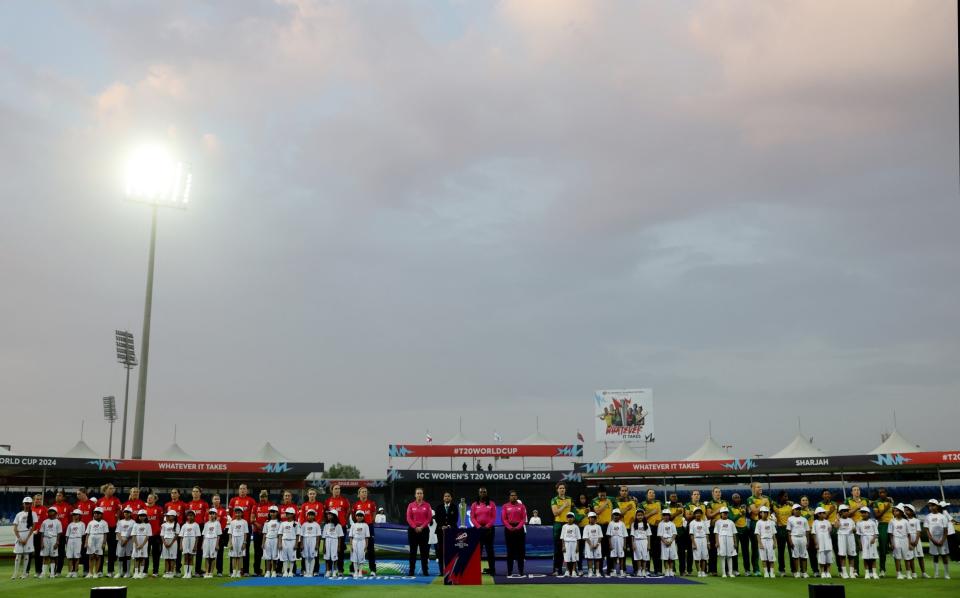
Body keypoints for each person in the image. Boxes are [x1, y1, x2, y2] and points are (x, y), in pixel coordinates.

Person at [228, 484, 257, 575]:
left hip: (246, 527)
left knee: (245, 549)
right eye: (241, 489)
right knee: (232, 550)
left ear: (247, 490)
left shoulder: (251, 501)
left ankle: (245, 571)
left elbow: (254, 513)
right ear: (238, 490)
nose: (242, 490)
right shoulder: (233, 500)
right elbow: (230, 512)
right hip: (234, 526)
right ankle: (232, 571)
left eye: (244, 489)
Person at [324, 484, 350, 573]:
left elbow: (348, 511)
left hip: (341, 527)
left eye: (339, 489)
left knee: (340, 549)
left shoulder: (344, 500)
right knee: (329, 548)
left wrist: (343, 521)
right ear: (332, 490)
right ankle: (329, 570)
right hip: (331, 526)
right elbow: (326, 513)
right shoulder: (328, 501)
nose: (337, 490)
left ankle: (340, 570)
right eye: (335, 489)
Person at [470, 487, 497, 575]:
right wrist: (478, 527)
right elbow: (472, 517)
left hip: (489, 530)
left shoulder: (492, 504)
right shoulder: (474, 504)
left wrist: (487, 526)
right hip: (478, 530)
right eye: (481, 492)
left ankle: (492, 570)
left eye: (484, 492)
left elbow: (493, 517)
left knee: (490, 551)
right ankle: (476, 570)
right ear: (479, 493)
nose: (483, 493)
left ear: (486, 493)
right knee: (478, 552)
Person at [745, 482, 770, 576]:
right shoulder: (750, 499)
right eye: (758, 487)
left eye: (761, 486)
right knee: (756, 548)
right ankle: (756, 570)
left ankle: (768, 569)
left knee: (768, 546)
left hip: (766, 524)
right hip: (755, 523)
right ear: (753, 489)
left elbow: (771, 509)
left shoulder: (767, 498)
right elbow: (755, 511)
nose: (760, 488)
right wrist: (763, 503)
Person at [502, 490, 528, 577]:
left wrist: (517, 527)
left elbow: (523, 519)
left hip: (519, 529)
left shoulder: (521, 506)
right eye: (512, 495)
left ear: (517, 497)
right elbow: (504, 519)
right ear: (509, 497)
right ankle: (509, 571)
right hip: (509, 530)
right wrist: (510, 527)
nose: (513, 497)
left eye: (515, 495)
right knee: (510, 551)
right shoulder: (505, 506)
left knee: (520, 552)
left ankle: (521, 571)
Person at [353, 486, 378, 577]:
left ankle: (373, 570)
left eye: (365, 491)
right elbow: (353, 516)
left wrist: (370, 522)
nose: (364, 493)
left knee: (370, 549)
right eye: (362, 492)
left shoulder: (371, 503)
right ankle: (354, 570)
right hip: (359, 527)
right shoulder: (356, 505)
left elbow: (374, 514)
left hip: (369, 526)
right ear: (359, 494)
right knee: (356, 549)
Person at [406, 487, 431, 576]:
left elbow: (429, 518)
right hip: (413, 531)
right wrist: (415, 527)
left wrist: (422, 527)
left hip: (424, 531)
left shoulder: (427, 505)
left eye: (421, 493)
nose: (419, 495)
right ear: (415, 495)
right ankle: (411, 571)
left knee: (424, 552)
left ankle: (425, 570)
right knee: (412, 552)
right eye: (418, 493)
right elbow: (408, 518)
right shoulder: (410, 505)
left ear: (423, 495)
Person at [550, 482, 574, 576]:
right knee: (558, 549)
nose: (562, 489)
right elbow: (555, 513)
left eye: (563, 488)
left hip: (569, 525)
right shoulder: (554, 500)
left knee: (569, 548)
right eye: (560, 488)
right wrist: (564, 506)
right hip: (558, 525)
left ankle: (571, 570)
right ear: (557, 490)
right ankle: (557, 569)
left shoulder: (570, 499)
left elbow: (573, 512)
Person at [98, 484, 122, 577]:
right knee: (100, 550)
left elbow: (119, 510)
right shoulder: (100, 501)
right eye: (110, 488)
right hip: (101, 529)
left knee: (112, 550)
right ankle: (99, 571)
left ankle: (110, 571)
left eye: (113, 488)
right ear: (105, 490)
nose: (113, 490)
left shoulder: (116, 500)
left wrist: (116, 517)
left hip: (112, 528)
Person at [926, 499, 951, 579]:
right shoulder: (928, 516)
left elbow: (945, 530)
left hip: (942, 540)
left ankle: (946, 574)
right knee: (935, 556)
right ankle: (936, 574)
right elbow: (927, 530)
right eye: (930, 505)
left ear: (937, 506)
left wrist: (942, 540)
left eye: (933, 505)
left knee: (944, 556)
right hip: (933, 540)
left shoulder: (943, 516)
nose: (931, 507)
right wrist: (933, 540)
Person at [250, 489, 273, 577]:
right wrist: (258, 525)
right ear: (259, 497)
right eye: (261, 497)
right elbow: (252, 519)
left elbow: (274, 518)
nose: (262, 498)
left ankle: (268, 570)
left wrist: (266, 527)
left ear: (267, 497)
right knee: (257, 553)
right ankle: (257, 571)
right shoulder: (255, 506)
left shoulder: (271, 506)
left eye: (264, 496)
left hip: (269, 533)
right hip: (257, 532)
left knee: (269, 552)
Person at [640, 489, 663, 573]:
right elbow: (640, 517)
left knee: (657, 550)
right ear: (646, 495)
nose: (652, 494)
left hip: (658, 529)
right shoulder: (642, 504)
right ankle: (647, 569)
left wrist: (661, 520)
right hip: (647, 528)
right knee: (647, 549)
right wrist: (652, 513)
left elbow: (667, 514)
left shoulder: (659, 503)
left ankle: (658, 570)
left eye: (653, 492)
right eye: (650, 493)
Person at [434, 491, 457, 575]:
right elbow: (437, 518)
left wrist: (449, 526)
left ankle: (450, 570)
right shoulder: (439, 507)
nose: (447, 497)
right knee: (441, 551)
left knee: (450, 551)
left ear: (451, 498)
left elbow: (455, 519)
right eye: (445, 496)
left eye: (448, 496)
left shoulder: (454, 507)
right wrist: (442, 526)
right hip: (440, 531)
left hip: (451, 532)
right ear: (443, 498)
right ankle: (441, 571)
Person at [12, 497, 35, 580]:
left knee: (26, 555)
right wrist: (20, 538)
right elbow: (15, 528)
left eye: (29, 503)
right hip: (20, 535)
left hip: (28, 535)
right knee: (18, 555)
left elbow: (33, 528)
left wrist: (27, 539)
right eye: (26, 503)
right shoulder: (19, 514)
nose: (27, 505)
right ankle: (15, 574)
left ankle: (24, 573)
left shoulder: (33, 514)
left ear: (31, 504)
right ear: (23, 504)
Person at [684, 490, 707, 575]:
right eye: (695, 494)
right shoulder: (687, 505)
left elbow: (705, 517)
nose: (696, 496)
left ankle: (703, 570)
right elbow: (687, 517)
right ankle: (689, 570)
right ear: (691, 496)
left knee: (703, 551)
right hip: (691, 528)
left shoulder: (704, 505)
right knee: (690, 550)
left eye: (698, 494)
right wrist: (696, 514)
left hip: (702, 528)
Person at [50, 489, 73, 574]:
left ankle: (59, 570)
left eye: (59, 495)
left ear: (63, 497)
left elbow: (71, 521)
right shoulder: (52, 507)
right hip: (53, 534)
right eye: (56, 495)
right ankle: (53, 569)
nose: (57, 497)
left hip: (64, 534)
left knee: (61, 552)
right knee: (53, 552)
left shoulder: (68, 507)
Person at [165, 488, 187, 573]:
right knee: (168, 548)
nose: (173, 494)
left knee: (178, 550)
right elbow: (165, 517)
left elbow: (185, 518)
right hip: (169, 528)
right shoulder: (167, 505)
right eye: (172, 493)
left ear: (179, 494)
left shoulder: (183, 505)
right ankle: (168, 570)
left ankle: (177, 569)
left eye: (175, 493)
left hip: (179, 527)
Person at [706, 487, 727, 575]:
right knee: (713, 550)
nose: (718, 493)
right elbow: (709, 516)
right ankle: (712, 570)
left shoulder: (725, 503)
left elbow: (727, 514)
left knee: (725, 548)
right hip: (714, 528)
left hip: (724, 528)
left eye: (719, 492)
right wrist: (718, 511)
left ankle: (726, 570)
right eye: (716, 492)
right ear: (713, 494)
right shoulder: (710, 504)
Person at [873, 487, 894, 576]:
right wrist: (885, 509)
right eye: (880, 493)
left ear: (886, 493)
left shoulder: (891, 501)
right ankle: (882, 570)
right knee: (883, 548)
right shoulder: (876, 503)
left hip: (893, 524)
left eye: (883, 492)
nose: (882, 494)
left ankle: (899, 570)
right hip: (883, 525)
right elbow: (877, 516)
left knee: (896, 547)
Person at [592, 486, 613, 574]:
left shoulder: (611, 501)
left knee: (609, 548)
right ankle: (598, 569)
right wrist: (606, 503)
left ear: (606, 494)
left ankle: (610, 570)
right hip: (599, 527)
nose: (602, 497)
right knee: (599, 549)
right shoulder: (595, 501)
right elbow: (597, 512)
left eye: (604, 495)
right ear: (598, 494)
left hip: (609, 526)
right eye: (601, 495)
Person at [786, 503, 811, 578]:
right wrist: (790, 541)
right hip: (794, 537)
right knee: (795, 556)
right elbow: (789, 531)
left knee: (804, 556)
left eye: (799, 509)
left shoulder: (804, 519)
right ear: (793, 510)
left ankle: (804, 572)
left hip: (803, 538)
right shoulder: (790, 519)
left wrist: (808, 541)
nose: (798, 511)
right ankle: (796, 572)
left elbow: (807, 531)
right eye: (796, 509)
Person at [728, 493, 750, 575]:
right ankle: (735, 570)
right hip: (735, 532)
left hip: (744, 530)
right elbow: (731, 519)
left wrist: (747, 510)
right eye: (735, 498)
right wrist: (740, 514)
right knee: (735, 551)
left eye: (738, 498)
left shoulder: (743, 507)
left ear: (740, 499)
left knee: (745, 551)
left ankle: (747, 570)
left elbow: (750, 515)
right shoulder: (730, 508)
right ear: (732, 499)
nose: (736, 499)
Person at [856, 506, 879, 579]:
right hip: (864, 540)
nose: (863, 514)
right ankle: (867, 573)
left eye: (864, 512)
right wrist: (860, 544)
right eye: (862, 513)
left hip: (872, 540)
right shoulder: (859, 523)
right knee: (865, 558)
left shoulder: (872, 522)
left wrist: (873, 539)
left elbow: (876, 533)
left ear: (868, 513)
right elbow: (858, 535)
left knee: (873, 557)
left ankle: (874, 573)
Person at [904, 504, 927, 578]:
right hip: (908, 540)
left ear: (912, 511)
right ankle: (913, 573)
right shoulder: (904, 521)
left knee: (920, 556)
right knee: (911, 557)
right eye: (905, 510)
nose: (905, 512)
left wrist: (916, 541)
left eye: (907, 510)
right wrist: (909, 542)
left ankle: (923, 573)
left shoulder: (916, 520)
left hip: (916, 539)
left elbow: (918, 531)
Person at [667, 492, 688, 576]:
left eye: (675, 496)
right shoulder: (666, 507)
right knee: (671, 551)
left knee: (681, 552)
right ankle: (672, 570)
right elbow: (668, 518)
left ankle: (682, 570)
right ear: (669, 498)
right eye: (672, 496)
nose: (674, 498)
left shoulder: (681, 507)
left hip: (680, 531)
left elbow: (686, 517)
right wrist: (677, 513)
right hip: (670, 531)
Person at [889, 504, 912, 579]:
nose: (895, 512)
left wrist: (910, 543)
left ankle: (908, 574)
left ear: (901, 512)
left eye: (897, 511)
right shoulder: (892, 521)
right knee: (897, 558)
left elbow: (909, 534)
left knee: (907, 558)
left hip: (905, 540)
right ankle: (898, 574)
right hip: (896, 539)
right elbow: (891, 534)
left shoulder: (905, 521)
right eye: (894, 511)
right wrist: (892, 543)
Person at [143, 493, 163, 577]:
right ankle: (145, 571)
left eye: (151, 498)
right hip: (146, 535)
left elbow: (161, 521)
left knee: (156, 554)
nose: (149, 499)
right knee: (145, 554)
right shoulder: (144, 509)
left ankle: (155, 571)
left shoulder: (158, 509)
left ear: (155, 499)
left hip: (156, 535)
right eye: (148, 498)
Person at [773, 491, 793, 577]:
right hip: (780, 529)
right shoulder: (775, 506)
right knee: (781, 551)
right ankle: (782, 570)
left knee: (791, 551)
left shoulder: (790, 506)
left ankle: (794, 570)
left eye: (787, 496)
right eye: (785, 496)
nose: (786, 498)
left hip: (790, 530)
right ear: (780, 497)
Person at [812, 506, 835, 579]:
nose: (825, 514)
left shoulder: (827, 522)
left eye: (824, 513)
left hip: (828, 542)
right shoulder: (815, 522)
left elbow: (830, 531)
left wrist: (832, 528)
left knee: (829, 557)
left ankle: (828, 572)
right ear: (818, 514)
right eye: (823, 513)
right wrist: (816, 543)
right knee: (821, 558)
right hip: (820, 542)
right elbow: (813, 533)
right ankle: (822, 572)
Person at [40, 506, 63, 578]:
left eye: (52, 511)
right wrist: (42, 542)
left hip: (53, 538)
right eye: (50, 511)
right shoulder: (44, 522)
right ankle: (43, 573)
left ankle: (52, 573)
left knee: (53, 557)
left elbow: (59, 533)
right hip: (45, 538)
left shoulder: (58, 522)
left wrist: (57, 542)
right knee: (45, 556)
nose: (51, 512)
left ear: (56, 513)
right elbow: (42, 533)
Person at [714, 507, 738, 578]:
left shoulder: (731, 522)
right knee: (722, 556)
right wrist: (717, 542)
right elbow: (716, 533)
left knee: (730, 556)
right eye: (724, 513)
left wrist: (735, 542)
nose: (725, 514)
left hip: (730, 539)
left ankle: (730, 573)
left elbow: (734, 533)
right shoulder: (718, 522)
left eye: (726, 513)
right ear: (721, 514)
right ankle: (724, 573)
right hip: (721, 539)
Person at [86, 507, 109, 578]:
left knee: (98, 556)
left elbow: (105, 533)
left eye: (98, 513)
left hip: (100, 538)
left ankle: (96, 572)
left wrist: (104, 543)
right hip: (91, 538)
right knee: (91, 556)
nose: (96, 514)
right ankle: (90, 572)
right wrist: (86, 542)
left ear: (101, 514)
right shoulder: (90, 522)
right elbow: (87, 533)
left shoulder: (104, 523)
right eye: (95, 513)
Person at [755, 506, 777, 578]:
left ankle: (772, 572)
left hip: (770, 540)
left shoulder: (771, 522)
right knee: (764, 558)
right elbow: (758, 534)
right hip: (763, 540)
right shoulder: (758, 523)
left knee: (771, 557)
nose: (765, 514)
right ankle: (766, 572)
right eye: (763, 512)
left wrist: (774, 542)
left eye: (766, 513)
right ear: (760, 513)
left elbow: (773, 533)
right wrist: (760, 543)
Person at [178, 510, 200, 579]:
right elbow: (181, 536)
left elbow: (197, 537)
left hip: (192, 540)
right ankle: (185, 573)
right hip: (185, 540)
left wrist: (195, 546)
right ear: (187, 517)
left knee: (191, 557)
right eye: (188, 515)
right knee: (186, 557)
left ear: (194, 516)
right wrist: (181, 545)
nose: (190, 517)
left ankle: (189, 573)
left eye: (191, 515)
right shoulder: (184, 525)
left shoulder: (196, 525)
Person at [836, 505, 857, 578]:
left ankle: (851, 573)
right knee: (842, 555)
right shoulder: (838, 520)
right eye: (844, 511)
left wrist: (854, 529)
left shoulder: (851, 520)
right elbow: (836, 526)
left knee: (851, 555)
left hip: (850, 537)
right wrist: (838, 518)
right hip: (842, 538)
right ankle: (844, 573)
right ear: (841, 512)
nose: (846, 512)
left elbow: (854, 530)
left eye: (847, 511)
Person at [210, 494, 229, 576]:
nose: (216, 500)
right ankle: (209, 570)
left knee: (219, 553)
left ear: (220, 501)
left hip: (219, 535)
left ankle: (219, 571)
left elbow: (224, 524)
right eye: (215, 499)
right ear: (212, 500)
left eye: (218, 499)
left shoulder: (223, 511)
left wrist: (217, 531)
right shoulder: (209, 510)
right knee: (209, 553)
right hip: (210, 535)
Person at [228, 506, 249, 578]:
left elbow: (245, 533)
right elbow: (230, 533)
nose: (237, 514)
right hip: (234, 540)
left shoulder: (244, 522)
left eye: (239, 513)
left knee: (240, 557)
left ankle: (239, 572)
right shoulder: (232, 522)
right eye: (236, 513)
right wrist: (230, 543)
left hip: (241, 540)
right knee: (234, 557)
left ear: (242, 513)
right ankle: (234, 572)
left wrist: (244, 543)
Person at [299, 509, 321, 577]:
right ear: (307, 516)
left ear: (314, 516)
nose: (310, 517)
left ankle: (311, 572)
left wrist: (317, 544)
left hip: (313, 540)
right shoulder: (304, 525)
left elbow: (318, 536)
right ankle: (307, 571)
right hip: (305, 540)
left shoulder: (316, 525)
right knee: (306, 557)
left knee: (312, 556)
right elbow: (301, 535)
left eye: (312, 515)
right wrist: (302, 544)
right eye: (309, 515)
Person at [278, 507, 299, 577]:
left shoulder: (296, 523)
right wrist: (280, 543)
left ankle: (290, 572)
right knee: (284, 558)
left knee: (292, 558)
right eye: (286, 513)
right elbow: (280, 534)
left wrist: (296, 544)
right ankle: (285, 572)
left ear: (293, 514)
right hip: (284, 541)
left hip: (292, 541)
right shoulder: (283, 523)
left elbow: (297, 535)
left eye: (289, 514)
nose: (287, 515)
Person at [688, 507, 710, 577]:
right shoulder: (692, 523)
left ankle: (703, 571)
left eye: (699, 513)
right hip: (696, 539)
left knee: (704, 557)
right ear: (694, 514)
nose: (698, 514)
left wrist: (708, 542)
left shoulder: (704, 522)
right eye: (696, 513)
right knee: (697, 557)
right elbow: (691, 534)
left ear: (701, 514)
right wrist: (693, 543)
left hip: (703, 539)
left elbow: (707, 533)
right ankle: (698, 572)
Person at [349, 509, 371, 579]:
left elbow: (367, 537)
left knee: (361, 557)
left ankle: (360, 571)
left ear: (363, 517)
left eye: (361, 516)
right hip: (355, 542)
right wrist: (351, 545)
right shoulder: (353, 525)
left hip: (362, 542)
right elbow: (351, 536)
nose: (359, 517)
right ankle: (355, 571)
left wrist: (366, 546)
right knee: (354, 557)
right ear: (355, 517)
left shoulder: (365, 525)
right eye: (358, 516)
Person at [201, 509, 222, 578]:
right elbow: (204, 535)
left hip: (214, 540)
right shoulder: (206, 523)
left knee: (213, 557)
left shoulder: (217, 523)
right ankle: (206, 572)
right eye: (210, 514)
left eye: (213, 514)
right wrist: (202, 544)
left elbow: (218, 535)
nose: (211, 515)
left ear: (216, 515)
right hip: (207, 540)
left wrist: (217, 544)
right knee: (206, 557)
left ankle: (211, 572)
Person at [657, 507, 678, 577]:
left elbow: (674, 533)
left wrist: (671, 541)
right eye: (664, 515)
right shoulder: (660, 524)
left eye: (667, 515)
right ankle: (666, 570)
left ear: (669, 516)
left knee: (671, 557)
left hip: (671, 541)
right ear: (662, 516)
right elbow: (660, 534)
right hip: (664, 541)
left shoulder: (672, 524)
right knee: (665, 557)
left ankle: (671, 570)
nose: (666, 516)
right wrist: (664, 542)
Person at [322, 510, 344, 578]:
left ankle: (334, 571)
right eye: (328, 514)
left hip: (335, 541)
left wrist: (339, 546)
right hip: (328, 541)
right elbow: (324, 537)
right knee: (327, 557)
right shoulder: (326, 525)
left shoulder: (338, 526)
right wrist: (324, 546)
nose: (328, 516)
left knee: (334, 558)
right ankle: (328, 571)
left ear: (334, 516)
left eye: (330, 515)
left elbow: (340, 537)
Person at [131, 510, 151, 579]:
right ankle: (136, 573)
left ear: (145, 516)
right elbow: (133, 535)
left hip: (144, 543)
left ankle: (141, 573)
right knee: (136, 558)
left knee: (142, 558)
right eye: (140, 516)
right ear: (138, 516)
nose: (142, 517)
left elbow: (148, 535)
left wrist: (142, 545)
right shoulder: (135, 524)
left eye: (143, 516)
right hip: (136, 542)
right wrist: (137, 544)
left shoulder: (148, 525)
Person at [115, 507, 135, 578]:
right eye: (125, 512)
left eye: (128, 512)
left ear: (130, 513)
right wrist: (121, 540)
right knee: (120, 555)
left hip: (129, 540)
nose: (126, 513)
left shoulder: (133, 522)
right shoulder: (120, 522)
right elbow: (117, 532)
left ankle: (128, 572)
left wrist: (126, 540)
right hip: (121, 540)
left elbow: (133, 532)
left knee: (128, 555)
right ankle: (120, 572)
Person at [261, 506, 281, 578]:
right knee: (268, 557)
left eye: (274, 512)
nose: (272, 513)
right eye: (271, 512)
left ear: (277, 513)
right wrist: (263, 543)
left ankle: (274, 571)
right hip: (268, 540)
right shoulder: (267, 522)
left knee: (275, 557)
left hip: (275, 540)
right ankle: (268, 571)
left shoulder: (279, 523)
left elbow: (280, 534)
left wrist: (279, 543)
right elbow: (264, 533)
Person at [29, 492, 46, 576]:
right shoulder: (30, 509)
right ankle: (26, 571)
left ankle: (38, 571)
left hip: (38, 534)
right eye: (36, 499)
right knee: (28, 553)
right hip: (29, 534)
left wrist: (37, 530)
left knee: (38, 553)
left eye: (39, 499)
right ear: (33, 500)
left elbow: (43, 523)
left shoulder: (43, 509)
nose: (38, 501)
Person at [608, 508, 628, 577]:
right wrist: (610, 544)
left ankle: (622, 571)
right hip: (613, 541)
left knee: (621, 557)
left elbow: (625, 535)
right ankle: (614, 571)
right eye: (615, 515)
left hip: (620, 541)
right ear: (612, 515)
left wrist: (624, 545)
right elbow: (609, 535)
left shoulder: (622, 524)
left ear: (620, 516)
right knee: (614, 557)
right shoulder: (610, 524)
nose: (616, 516)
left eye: (617, 515)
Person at [582, 511, 603, 577]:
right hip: (589, 545)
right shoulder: (586, 527)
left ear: (595, 518)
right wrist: (591, 545)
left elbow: (600, 536)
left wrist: (597, 544)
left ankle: (597, 572)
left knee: (597, 558)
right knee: (590, 558)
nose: (592, 519)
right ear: (588, 518)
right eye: (591, 517)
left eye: (593, 517)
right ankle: (590, 572)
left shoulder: (598, 527)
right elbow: (586, 537)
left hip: (597, 545)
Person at [631, 511, 651, 577]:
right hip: (637, 541)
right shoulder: (633, 524)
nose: (640, 517)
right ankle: (639, 570)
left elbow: (648, 535)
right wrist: (633, 544)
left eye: (641, 515)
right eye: (638, 515)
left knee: (645, 557)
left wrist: (648, 544)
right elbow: (632, 535)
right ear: (636, 516)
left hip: (645, 541)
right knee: (638, 556)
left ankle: (644, 570)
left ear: (643, 516)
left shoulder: (646, 524)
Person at [560, 512, 581, 577]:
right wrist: (563, 546)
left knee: (574, 558)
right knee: (566, 558)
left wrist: (577, 546)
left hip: (574, 543)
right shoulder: (564, 527)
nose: (570, 519)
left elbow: (578, 538)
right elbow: (562, 537)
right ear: (566, 518)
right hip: (566, 543)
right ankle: (567, 571)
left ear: (573, 518)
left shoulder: (576, 527)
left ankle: (574, 571)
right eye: (568, 517)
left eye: (571, 517)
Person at [160, 510, 179, 578]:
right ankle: (167, 571)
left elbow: (176, 535)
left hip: (173, 542)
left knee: (172, 558)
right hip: (165, 541)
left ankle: (171, 572)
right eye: (167, 516)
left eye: (169, 516)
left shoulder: (176, 524)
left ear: (174, 516)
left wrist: (171, 543)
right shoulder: (164, 525)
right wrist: (164, 542)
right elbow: (162, 535)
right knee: (166, 558)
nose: (167, 517)